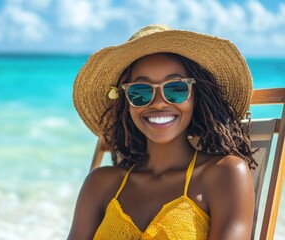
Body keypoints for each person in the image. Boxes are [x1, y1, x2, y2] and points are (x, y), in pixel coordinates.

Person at [68, 24, 256, 239]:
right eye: (141, 91)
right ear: (126, 102)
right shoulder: (100, 183)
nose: (158, 103)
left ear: (196, 97)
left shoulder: (224, 174)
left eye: (175, 89)